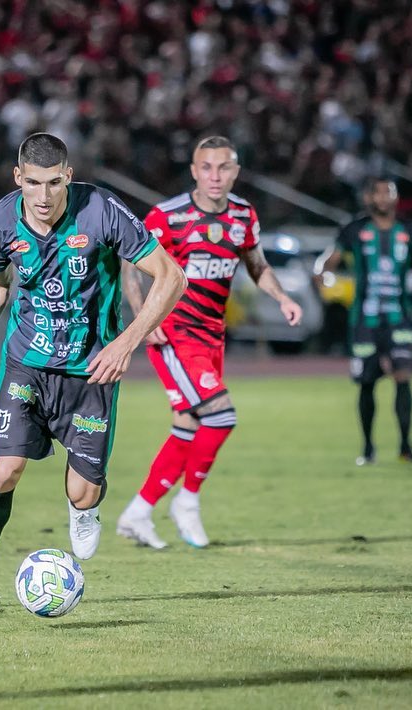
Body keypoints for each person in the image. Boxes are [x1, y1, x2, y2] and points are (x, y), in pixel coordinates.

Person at [0, 132, 186, 612]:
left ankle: (84, 508)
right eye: (33, 183)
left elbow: (172, 276)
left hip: (90, 370)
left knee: (82, 488)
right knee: (4, 470)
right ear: (17, 178)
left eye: (54, 183)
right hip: (26, 362)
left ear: (68, 176)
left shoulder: (102, 210)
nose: (44, 196)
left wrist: (125, 342)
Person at [116, 136, 304, 550]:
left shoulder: (243, 215)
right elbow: (130, 266)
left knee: (188, 424)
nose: (215, 176)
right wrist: (145, 319)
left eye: (224, 168)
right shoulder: (169, 215)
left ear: (235, 171)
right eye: (207, 167)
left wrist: (282, 296)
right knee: (221, 415)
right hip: (174, 333)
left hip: (211, 336)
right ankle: (188, 500)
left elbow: (257, 264)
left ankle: (138, 512)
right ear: (194, 170)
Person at [315, 176, 412, 466]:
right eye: (379, 193)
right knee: (366, 383)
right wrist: (321, 277)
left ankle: (405, 446)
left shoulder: (410, 231)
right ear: (368, 198)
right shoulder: (354, 230)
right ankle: (367, 448)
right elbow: (328, 261)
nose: (385, 198)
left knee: (404, 378)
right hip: (364, 321)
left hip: (399, 319)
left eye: (390, 193)